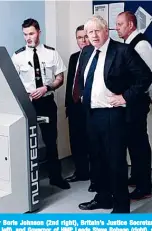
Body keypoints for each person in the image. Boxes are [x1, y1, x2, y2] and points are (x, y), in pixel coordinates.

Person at [77, 15, 152, 213]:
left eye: (97, 31)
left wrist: (125, 97)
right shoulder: (86, 52)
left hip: (112, 115)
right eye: (89, 32)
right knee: (97, 160)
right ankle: (103, 198)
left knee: (115, 162)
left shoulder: (123, 51)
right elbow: (84, 81)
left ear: (106, 31)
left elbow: (146, 77)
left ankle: (121, 207)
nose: (93, 35)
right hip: (91, 114)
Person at [11, 18, 70, 190]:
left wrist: (46, 88)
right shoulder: (18, 56)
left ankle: (55, 177)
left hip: (46, 101)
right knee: (25, 141)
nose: (28, 38)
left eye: (31, 33)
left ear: (39, 32)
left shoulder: (51, 53)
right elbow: (12, 82)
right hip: (27, 103)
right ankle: (25, 181)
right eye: (25, 34)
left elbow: (60, 78)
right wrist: (24, 95)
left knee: (51, 140)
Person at [116, 11, 152, 200]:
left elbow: (150, 74)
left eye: (120, 24)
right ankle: (135, 177)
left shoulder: (141, 45)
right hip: (129, 101)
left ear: (131, 25)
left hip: (137, 101)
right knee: (133, 143)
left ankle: (145, 187)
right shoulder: (127, 44)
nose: (117, 28)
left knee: (139, 144)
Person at [64, 25, 96, 192]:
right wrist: (67, 105)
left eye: (85, 37)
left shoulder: (95, 55)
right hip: (75, 106)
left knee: (93, 143)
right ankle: (81, 172)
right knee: (76, 141)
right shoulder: (73, 57)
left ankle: (96, 177)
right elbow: (70, 82)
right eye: (79, 37)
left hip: (89, 107)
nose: (82, 40)